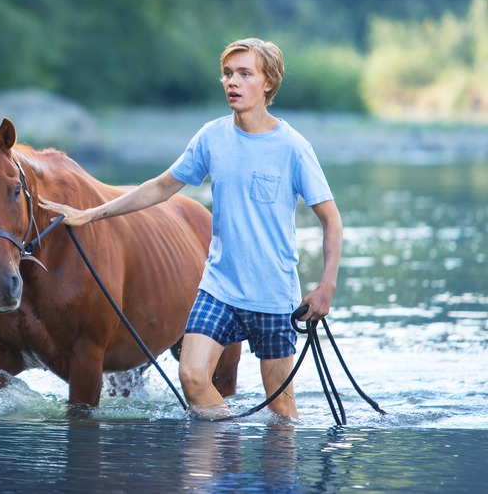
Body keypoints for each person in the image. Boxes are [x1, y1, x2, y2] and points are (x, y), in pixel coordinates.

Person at [39, 38, 343, 419]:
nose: (232, 82)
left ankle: (258, 456)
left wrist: (326, 287)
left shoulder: (294, 148)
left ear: (268, 83)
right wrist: (91, 214)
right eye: (228, 74)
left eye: (244, 74)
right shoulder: (212, 137)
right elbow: (160, 187)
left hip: (274, 294)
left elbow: (332, 220)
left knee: (281, 408)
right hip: (220, 289)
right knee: (193, 376)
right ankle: (228, 442)